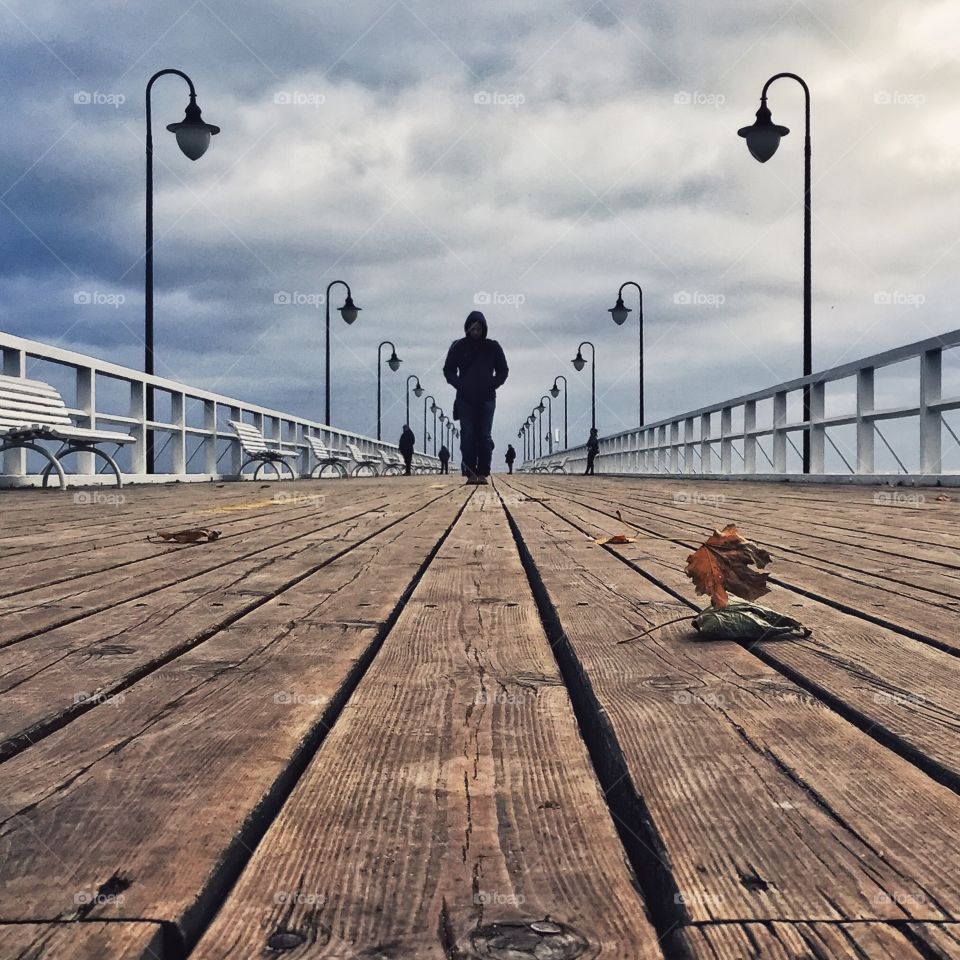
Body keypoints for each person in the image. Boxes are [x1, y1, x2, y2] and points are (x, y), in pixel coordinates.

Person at [443, 310, 508, 485]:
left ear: (484, 329)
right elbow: (448, 370)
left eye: (479, 329)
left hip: (487, 397)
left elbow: (503, 370)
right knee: (468, 434)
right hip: (465, 398)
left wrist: (492, 384)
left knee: (484, 435)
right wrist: (460, 384)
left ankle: (483, 473)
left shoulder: (492, 347)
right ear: (468, 329)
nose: (476, 332)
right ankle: (470, 472)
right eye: (473, 329)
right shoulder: (459, 347)